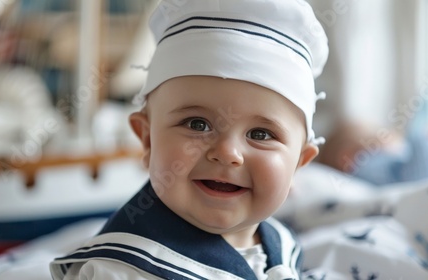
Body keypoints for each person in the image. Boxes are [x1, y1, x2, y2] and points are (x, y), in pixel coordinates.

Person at [50, 0, 329, 279]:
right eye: (198, 124)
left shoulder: (281, 244)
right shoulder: (121, 269)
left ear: (298, 164)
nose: (227, 152)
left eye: (260, 134)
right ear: (147, 140)